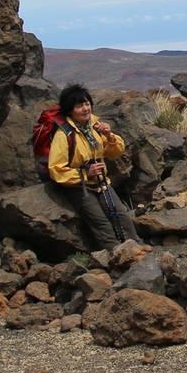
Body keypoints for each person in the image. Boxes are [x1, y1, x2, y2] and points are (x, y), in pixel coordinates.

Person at [46, 82, 139, 250]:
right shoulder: (64, 134)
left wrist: (109, 136)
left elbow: (115, 152)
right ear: (69, 111)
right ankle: (116, 254)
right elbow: (56, 169)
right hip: (78, 187)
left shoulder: (94, 126)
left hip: (102, 183)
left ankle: (136, 248)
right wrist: (85, 173)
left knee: (121, 215)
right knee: (101, 223)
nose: (85, 109)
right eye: (79, 106)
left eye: (87, 104)